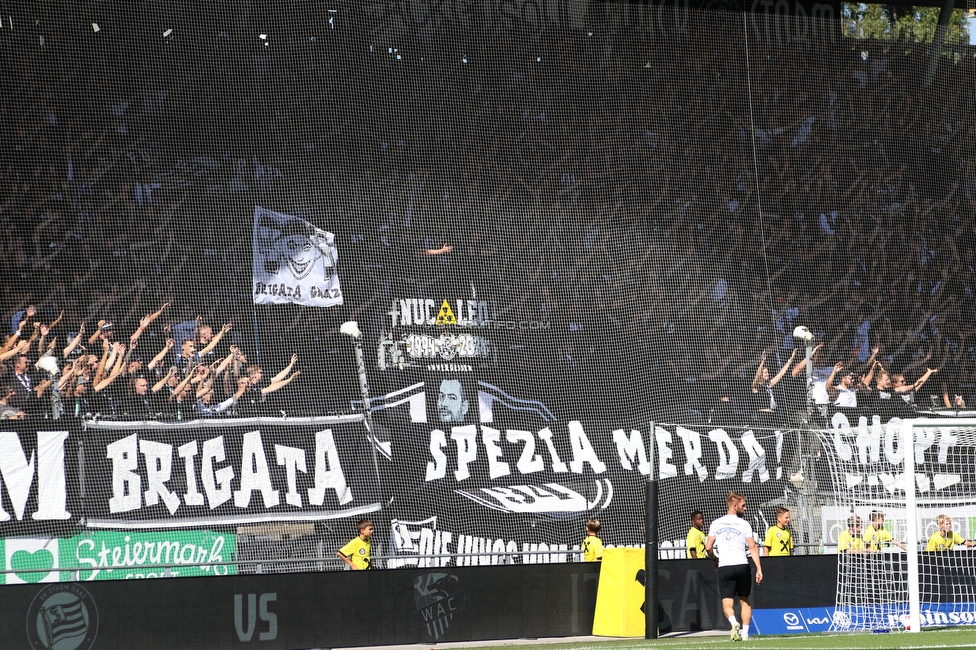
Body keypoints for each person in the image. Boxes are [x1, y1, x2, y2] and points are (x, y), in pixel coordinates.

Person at [705, 492, 764, 642]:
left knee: (727, 602)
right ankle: (745, 635)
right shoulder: (744, 524)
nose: (745, 508)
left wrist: (714, 559)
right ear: (734, 506)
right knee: (745, 601)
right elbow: (752, 547)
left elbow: (708, 547)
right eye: (743, 505)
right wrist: (759, 569)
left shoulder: (716, 523)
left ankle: (733, 622)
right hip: (742, 566)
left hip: (725, 567)